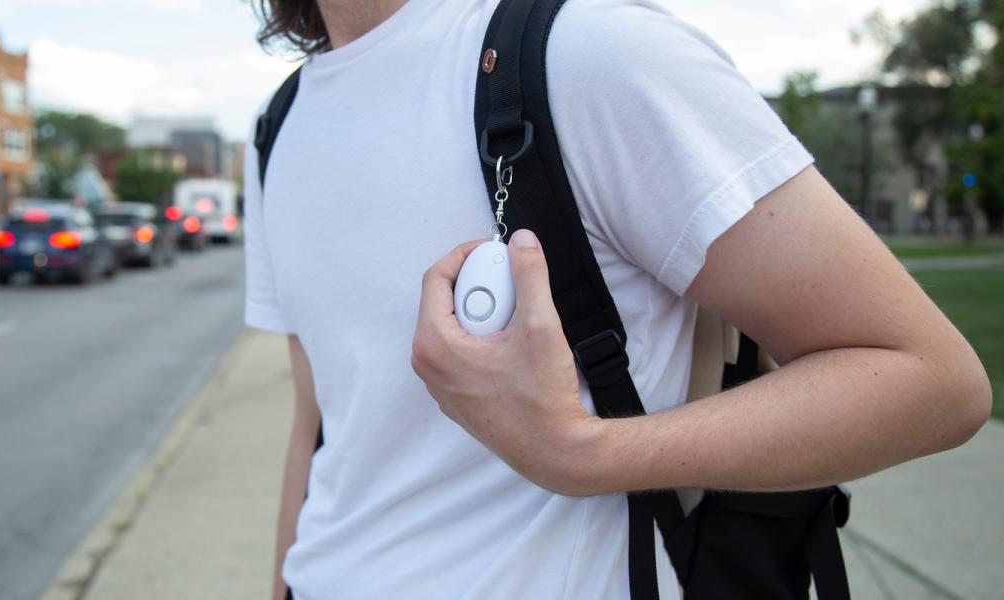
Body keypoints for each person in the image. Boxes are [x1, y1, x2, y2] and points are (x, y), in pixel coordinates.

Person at [242, 1, 992, 598]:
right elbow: (320, 425)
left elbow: (931, 380)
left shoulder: (591, 56)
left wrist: (581, 454)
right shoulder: (279, 128)